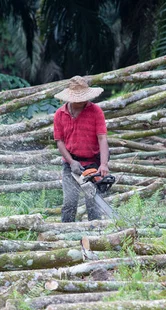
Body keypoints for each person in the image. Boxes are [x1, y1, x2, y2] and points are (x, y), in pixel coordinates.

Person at [53, 75, 109, 222]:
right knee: (69, 203)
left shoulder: (96, 112)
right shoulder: (60, 114)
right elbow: (59, 141)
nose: (82, 101)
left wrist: (103, 164)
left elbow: (102, 138)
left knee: (93, 203)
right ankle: (64, 235)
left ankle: (96, 235)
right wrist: (71, 162)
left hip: (92, 163)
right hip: (70, 163)